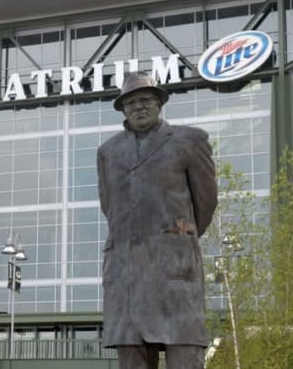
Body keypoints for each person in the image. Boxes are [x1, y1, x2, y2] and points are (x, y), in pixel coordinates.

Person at [97, 71, 217, 368]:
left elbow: (206, 201)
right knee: (131, 349)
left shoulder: (190, 141)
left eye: (146, 100)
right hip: (125, 271)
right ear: (123, 109)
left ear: (159, 103)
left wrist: (178, 236)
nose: (139, 107)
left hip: (172, 268)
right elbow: (109, 206)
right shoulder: (108, 152)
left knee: (184, 350)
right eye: (131, 102)